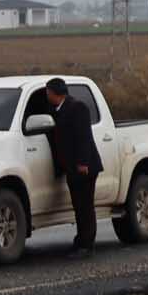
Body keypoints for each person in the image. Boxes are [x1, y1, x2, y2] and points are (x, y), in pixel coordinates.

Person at [45, 78, 104, 251]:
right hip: (72, 167)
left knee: (85, 206)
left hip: (84, 167)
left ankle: (86, 244)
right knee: (78, 206)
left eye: (48, 92)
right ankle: (81, 240)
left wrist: (83, 162)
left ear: (57, 93)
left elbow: (84, 137)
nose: (47, 96)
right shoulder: (57, 109)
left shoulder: (77, 108)